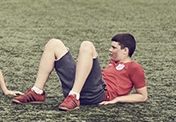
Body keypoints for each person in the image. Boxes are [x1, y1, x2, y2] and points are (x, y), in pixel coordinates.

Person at [11, 33, 147, 111]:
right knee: (54, 43)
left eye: (114, 47)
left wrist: (118, 99)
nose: (110, 50)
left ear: (125, 50)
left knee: (87, 45)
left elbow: (142, 96)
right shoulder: (113, 63)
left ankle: (74, 97)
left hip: (98, 94)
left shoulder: (134, 67)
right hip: (82, 88)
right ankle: (37, 92)